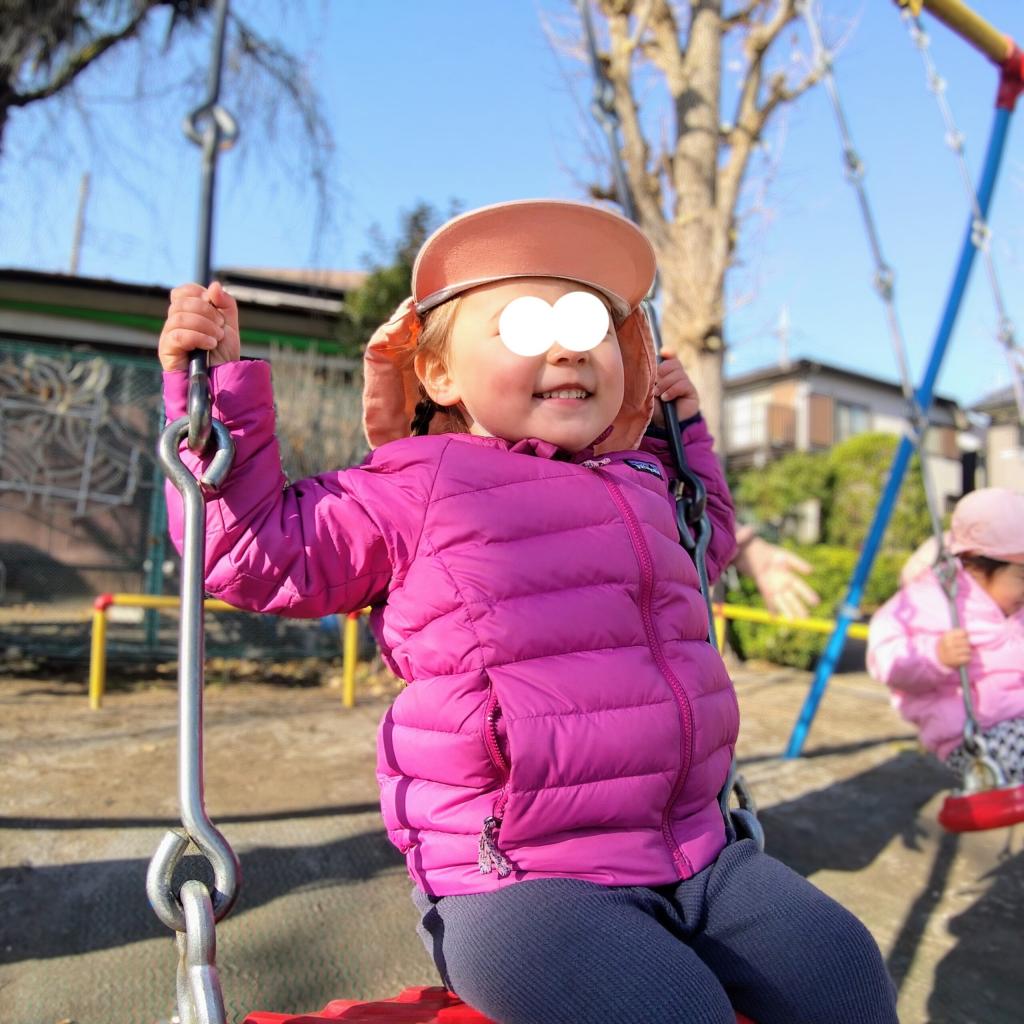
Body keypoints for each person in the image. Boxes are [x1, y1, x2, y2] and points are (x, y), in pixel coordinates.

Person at [158, 200, 896, 1024]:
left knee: (843, 969)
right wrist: (215, 401)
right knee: (672, 1009)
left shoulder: (645, 484)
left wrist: (682, 432)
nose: (568, 343)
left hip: (700, 855)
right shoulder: (415, 484)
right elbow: (254, 556)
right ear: (438, 374)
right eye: (525, 323)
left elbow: (706, 543)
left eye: (590, 323)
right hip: (519, 881)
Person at [868, 487, 1024, 783]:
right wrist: (935, 655)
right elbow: (885, 656)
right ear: (979, 566)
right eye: (1023, 577)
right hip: (975, 740)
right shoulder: (935, 600)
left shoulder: (1015, 609)